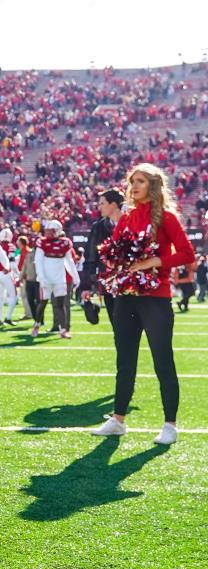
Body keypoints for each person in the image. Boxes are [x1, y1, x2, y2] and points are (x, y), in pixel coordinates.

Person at [92, 163, 195, 445]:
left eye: (140, 181)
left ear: (152, 185)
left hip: (156, 297)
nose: (134, 186)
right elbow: (114, 250)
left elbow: (187, 253)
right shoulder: (126, 218)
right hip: (126, 297)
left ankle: (170, 425)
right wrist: (113, 263)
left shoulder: (168, 218)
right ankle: (118, 420)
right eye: (132, 181)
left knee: (163, 360)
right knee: (125, 360)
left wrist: (155, 261)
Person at [80, 189, 123, 322]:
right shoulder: (98, 227)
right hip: (109, 284)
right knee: (117, 327)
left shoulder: (132, 223)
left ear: (113, 204)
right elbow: (90, 258)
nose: (99, 207)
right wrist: (86, 286)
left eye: (102, 203)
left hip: (133, 284)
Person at [32, 221, 77, 338]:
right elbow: (38, 261)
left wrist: (75, 276)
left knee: (60, 304)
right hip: (46, 278)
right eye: (46, 230)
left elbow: (69, 262)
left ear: (57, 231)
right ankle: (37, 323)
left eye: (50, 230)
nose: (47, 233)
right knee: (43, 302)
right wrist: (41, 277)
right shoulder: (42, 242)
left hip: (59, 278)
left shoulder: (65, 243)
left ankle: (63, 330)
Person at [0, 228, 17, 325]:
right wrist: (17, 274)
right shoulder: (11, 246)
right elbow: (12, 263)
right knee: (14, 296)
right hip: (6, 273)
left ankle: (0, 319)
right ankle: (8, 317)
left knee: (0, 297)